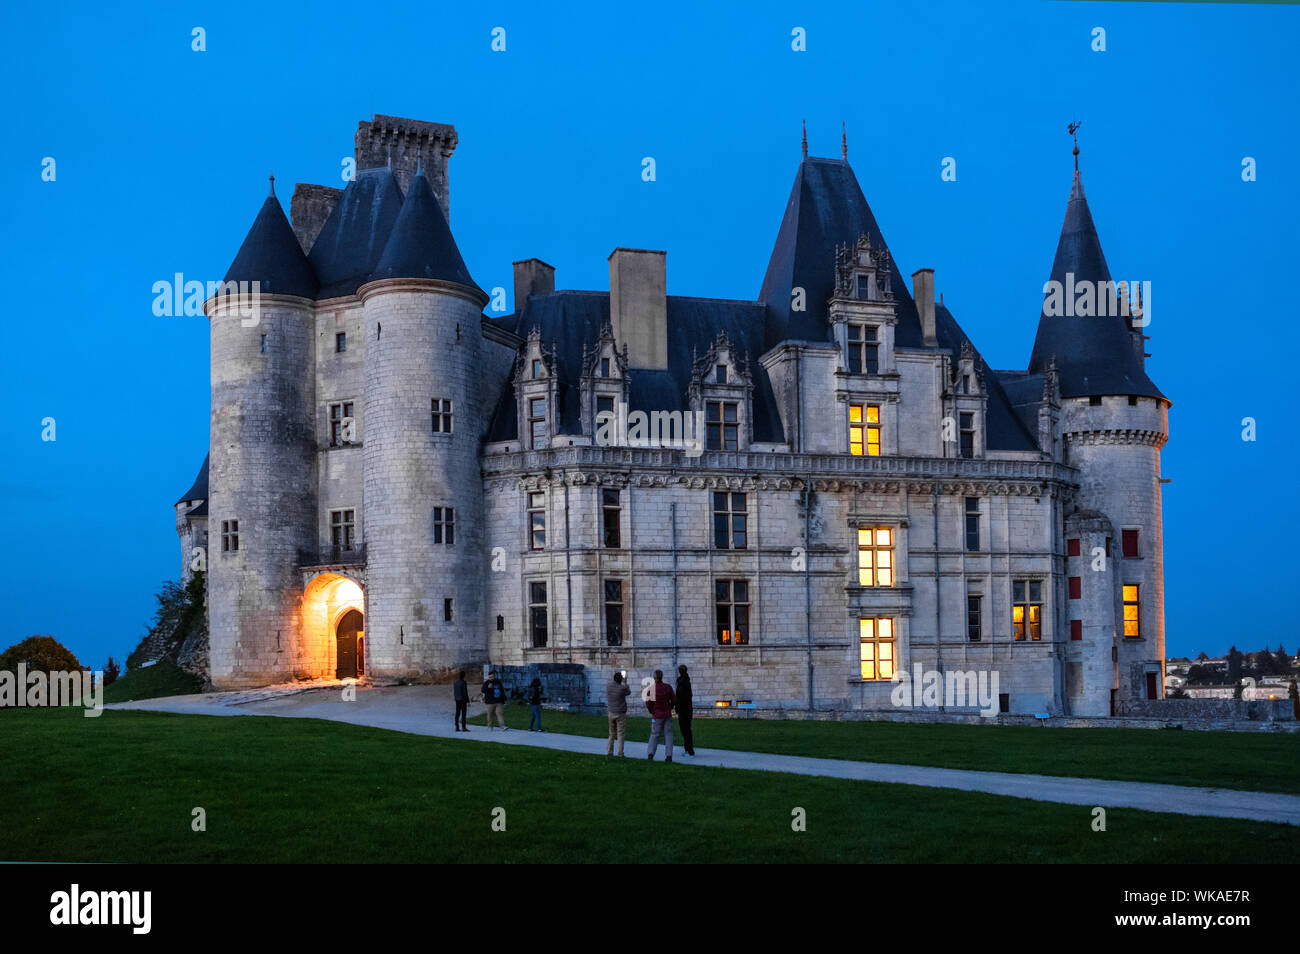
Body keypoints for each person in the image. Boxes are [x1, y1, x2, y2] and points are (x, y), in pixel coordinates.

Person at [645, 669, 676, 762]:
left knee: (654, 734)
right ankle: (669, 755)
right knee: (668, 734)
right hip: (667, 714)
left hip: (656, 715)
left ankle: (651, 753)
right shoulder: (668, 687)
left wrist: (652, 711)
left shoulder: (652, 689)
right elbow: (674, 699)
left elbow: (648, 703)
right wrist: (670, 707)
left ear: (654, 678)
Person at [606, 671, 631, 756]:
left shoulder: (608, 686)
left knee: (611, 733)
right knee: (620, 734)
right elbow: (628, 692)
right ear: (621, 679)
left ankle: (610, 751)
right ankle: (620, 752)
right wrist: (625, 682)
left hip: (611, 712)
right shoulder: (622, 688)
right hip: (620, 713)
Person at [675, 664, 694, 756]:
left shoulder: (682, 682)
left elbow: (681, 697)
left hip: (684, 710)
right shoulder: (686, 681)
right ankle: (689, 749)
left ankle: (689, 749)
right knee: (687, 729)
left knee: (685, 730)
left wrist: (677, 707)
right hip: (687, 709)